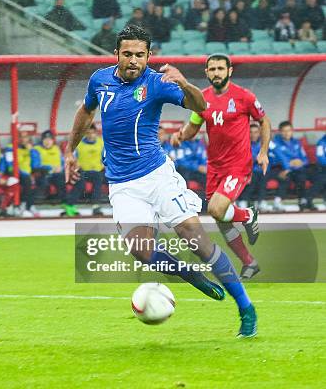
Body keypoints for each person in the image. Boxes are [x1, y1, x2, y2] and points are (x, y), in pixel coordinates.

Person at [64, 25, 257, 337]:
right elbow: (86, 112)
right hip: (122, 184)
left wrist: (184, 83)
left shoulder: (156, 83)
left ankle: (246, 308)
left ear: (149, 56)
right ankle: (189, 274)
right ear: (116, 54)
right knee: (139, 250)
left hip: (158, 176)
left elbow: (201, 106)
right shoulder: (99, 80)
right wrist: (69, 151)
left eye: (140, 55)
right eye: (127, 54)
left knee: (195, 238)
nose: (133, 60)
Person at [172, 53, 272, 279]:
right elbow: (192, 127)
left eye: (220, 68)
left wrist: (263, 152)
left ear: (229, 71)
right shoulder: (202, 99)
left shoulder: (244, 97)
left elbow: (264, 121)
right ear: (206, 73)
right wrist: (180, 135)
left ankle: (247, 215)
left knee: (217, 209)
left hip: (238, 165)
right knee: (220, 217)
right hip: (215, 166)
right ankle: (249, 262)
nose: (216, 73)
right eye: (212, 69)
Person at [34, 130, 78, 216]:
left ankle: (70, 203)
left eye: (49, 139)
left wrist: (63, 168)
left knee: (77, 177)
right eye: (45, 139)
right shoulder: (36, 150)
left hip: (58, 174)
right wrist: (51, 168)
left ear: (53, 141)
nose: (47, 142)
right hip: (44, 174)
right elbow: (35, 165)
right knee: (60, 179)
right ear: (42, 140)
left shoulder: (57, 149)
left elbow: (63, 162)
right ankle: (67, 205)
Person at [271, 121, 311, 211]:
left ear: (292, 131)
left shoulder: (297, 142)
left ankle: (303, 201)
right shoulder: (275, 143)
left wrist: (301, 162)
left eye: (289, 130)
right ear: (280, 132)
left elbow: (305, 159)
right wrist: (290, 163)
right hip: (280, 168)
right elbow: (273, 160)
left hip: (297, 169)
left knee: (301, 176)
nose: (286, 133)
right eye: (284, 131)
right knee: (286, 176)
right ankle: (277, 202)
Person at [4, 131, 40, 217]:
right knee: (27, 180)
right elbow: (9, 165)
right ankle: (24, 205)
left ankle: (30, 205)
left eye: (25, 137)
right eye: (21, 137)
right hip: (15, 173)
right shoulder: (10, 148)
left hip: (29, 174)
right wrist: (21, 173)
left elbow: (36, 164)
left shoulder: (33, 149)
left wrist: (31, 150)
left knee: (42, 180)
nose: (23, 139)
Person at [73, 124, 105, 215]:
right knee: (82, 180)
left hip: (98, 170)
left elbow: (107, 156)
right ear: (85, 134)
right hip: (83, 171)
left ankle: (96, 206)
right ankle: (72, 205)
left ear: (96, 133)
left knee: (99, 177)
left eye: (93, 133)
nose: (91, 135)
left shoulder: (101, 143)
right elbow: (74, 158)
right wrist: (77, 165)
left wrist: (104, 164)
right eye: (88, 133)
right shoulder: (79, 144)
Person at [238, 124, 270, 212]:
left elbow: (268, 158)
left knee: (263, 174)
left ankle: (261, 202)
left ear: (259, 133)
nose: (253, 135)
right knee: (252, 175)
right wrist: (256, 159)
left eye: (256, 132)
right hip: (246, 170)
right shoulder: (242, 143)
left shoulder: (264, 144)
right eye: (250, 132)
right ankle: (243, 201)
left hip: (261, 169)